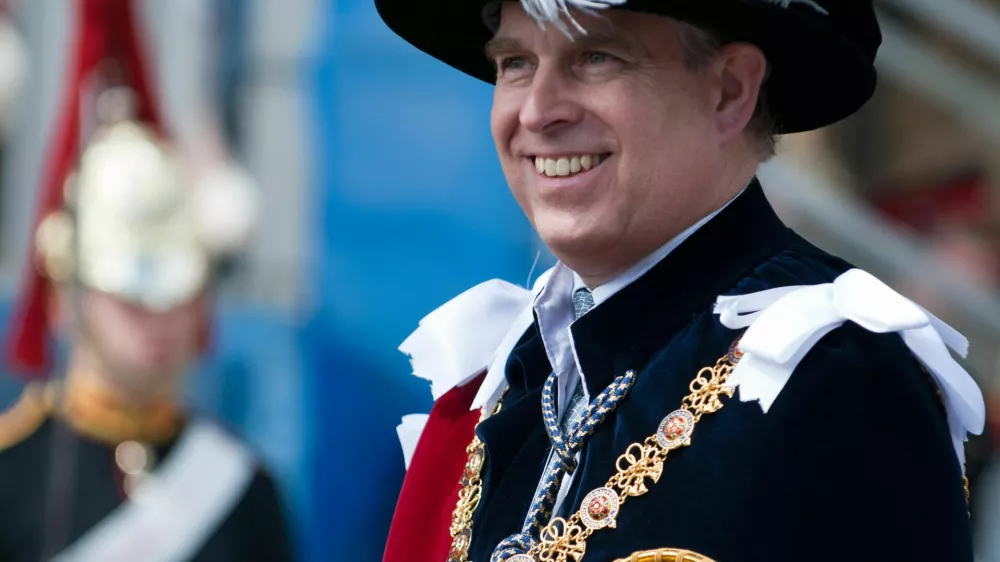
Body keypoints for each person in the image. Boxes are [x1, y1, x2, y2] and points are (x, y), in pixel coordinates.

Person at [376, 0, 987, 561]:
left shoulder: (838, 371)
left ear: (728, 92)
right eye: (515, 63)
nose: (536, 110)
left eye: (596, 57)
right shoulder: (502, 382)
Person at [0, 113, 293, 562]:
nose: (159, 318)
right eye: (130, 298)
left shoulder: (244, 488)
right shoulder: (9, 472)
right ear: (67, 296)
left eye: (178, 295)